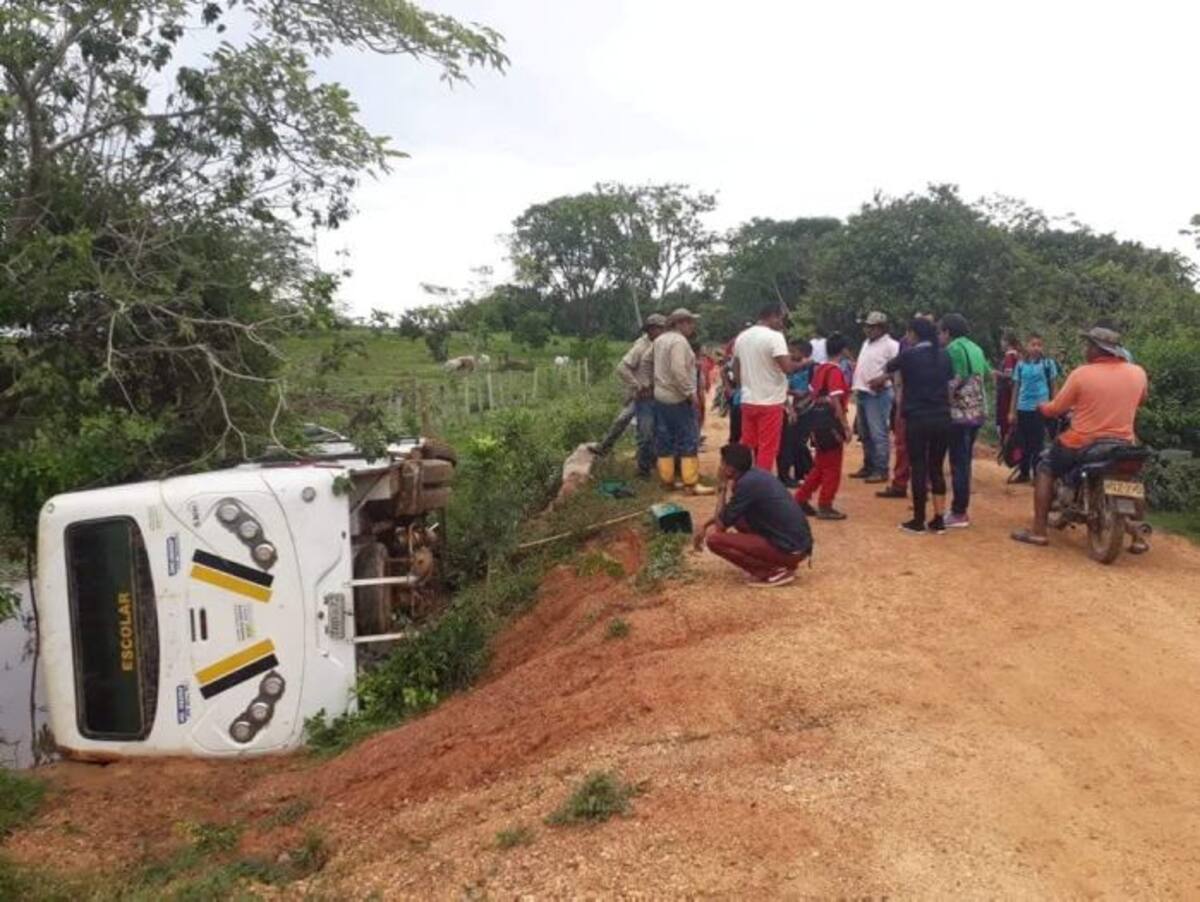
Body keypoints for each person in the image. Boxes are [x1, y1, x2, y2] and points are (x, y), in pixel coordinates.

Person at [1012, 326, 1149, 548]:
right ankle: (1138, 535)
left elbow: (1056, 408)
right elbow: (1141, 400)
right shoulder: (1138, 372)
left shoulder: (1081, 374)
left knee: (1045, 467)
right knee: (1130, 478)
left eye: (1088, 345)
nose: (1086, 349)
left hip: (1083, 444)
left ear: (1097, 349)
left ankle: (1038, 531)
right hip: (1123, 444)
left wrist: (1042, 407)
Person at [694, 444, 813, 588]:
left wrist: (722, 487)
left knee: (714, 540)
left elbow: (720, 526)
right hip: (797, 546)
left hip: (790, 550)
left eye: (722, 463)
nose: (720, 468)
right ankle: (776, 563)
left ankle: (771, 572)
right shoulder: (755, 476)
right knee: (739, 519)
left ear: (730, 468)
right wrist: (705, 525)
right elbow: (729, 514)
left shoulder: (746, 485)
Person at [876, 317, 954, 533]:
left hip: (918, 417)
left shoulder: (909, 355)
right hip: (942, 416)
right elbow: (950, 384)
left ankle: (918, 519)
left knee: (918, 466)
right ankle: (938, 519)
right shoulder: (944, 355)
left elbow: (889, 367)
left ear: (913, 334)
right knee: (936, 468)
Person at [590, 313, 667, 475]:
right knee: (629, 423)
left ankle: (650, 461)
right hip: (643, 393)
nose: (660, 332)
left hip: (659, 394)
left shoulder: (664, 345)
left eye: (662, 329)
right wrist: (636, 385)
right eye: (657, 329)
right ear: (651, 330)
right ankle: (606, 448)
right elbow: (622, 368)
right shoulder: (641, 347)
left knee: (655, 430)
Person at [652, 308, 715, 495]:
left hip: (661, 395)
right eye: (689, 322)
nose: (692, 326)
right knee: (689, 437)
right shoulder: (679, 342)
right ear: (679, 323)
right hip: (678, 397)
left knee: (666, 439)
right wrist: (690, 393)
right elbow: (678, 370)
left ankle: (667, 480)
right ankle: (690, 483)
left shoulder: (660, 340)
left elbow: (651, 363)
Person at [794, 333, 851, 520]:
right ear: (843, 351)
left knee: (820, 465)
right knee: (832, 467)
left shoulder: (820, 370)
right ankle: (825, 504)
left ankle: (801, 498)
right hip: (830, 423)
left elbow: (810, 395)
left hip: (817, 422)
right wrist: (845, 425)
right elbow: (835, 400)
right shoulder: (835, 371)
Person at [940, 313, 989, 528]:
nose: (939, 336)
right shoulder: (976, 348)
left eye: (940, 331)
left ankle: (959, 512)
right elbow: (986, 374)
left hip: (960, 414)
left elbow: (956, 379)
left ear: (947, 332)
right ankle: (961, 508)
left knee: (958, 462)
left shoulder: (954, 349)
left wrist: (945, 405)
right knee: (965, 460)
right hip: (978, 411)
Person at [732, 304, 796, 469]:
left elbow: (736, 366)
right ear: (773, 316)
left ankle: (739, 478)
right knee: (767, 448)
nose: (782, 323)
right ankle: (761, 484)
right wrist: (804, 363)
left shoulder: (742, 337)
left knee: (747, 444)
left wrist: (743, 387)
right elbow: (787, 368)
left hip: (748, 400)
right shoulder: (775, 337)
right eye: (781, 319)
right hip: (770, 402)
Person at [849, 312, 899, 484]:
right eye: (867, 326)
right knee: (865, 433)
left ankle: (881, 468)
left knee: (878, 432)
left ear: (882, 328)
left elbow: (897, 369)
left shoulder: (891, 345)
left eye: (872, 327)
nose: (868, 330)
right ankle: (869, 465)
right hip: (863, 392)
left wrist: (883, 379)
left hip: (879, 393)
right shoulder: (866, 343)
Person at [1008, 333, 1060, 484]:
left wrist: (1055, 406)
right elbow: (1016, 388)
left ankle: (1037, 475)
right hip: (1022, 408)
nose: (1036, 348)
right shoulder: (1021, 365)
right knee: (1022, 443)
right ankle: (1024, 472)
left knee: (1037, 443)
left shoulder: (1048, 364)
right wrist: (1011, 411)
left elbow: (1053, 386)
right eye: (1033, 344)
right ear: (1027, 346)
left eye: (1039, 345)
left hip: (1040, 408)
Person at [776, 339, 814, 487]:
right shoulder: (789, 367)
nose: (790, 354)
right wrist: (793, 392)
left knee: (799, 442)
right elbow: (782, 386)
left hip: (805, 408)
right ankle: (790, 473)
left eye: (794, 351)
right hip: (790, 407)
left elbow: (813, 389)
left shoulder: (812, 368)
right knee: (789, 442)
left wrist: (804, 398)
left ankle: (803, 471)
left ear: (804, 353)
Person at [995, 332, 1022, 449]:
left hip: (1006, 395)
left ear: (1007, 342)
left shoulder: (1010, 356)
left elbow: (1009, 375)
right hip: (1013, 394)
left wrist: (997, 373)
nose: (1001, 343)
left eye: (1002, 340)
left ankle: (1007, 448)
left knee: (1004, 421)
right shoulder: (1018, 356)